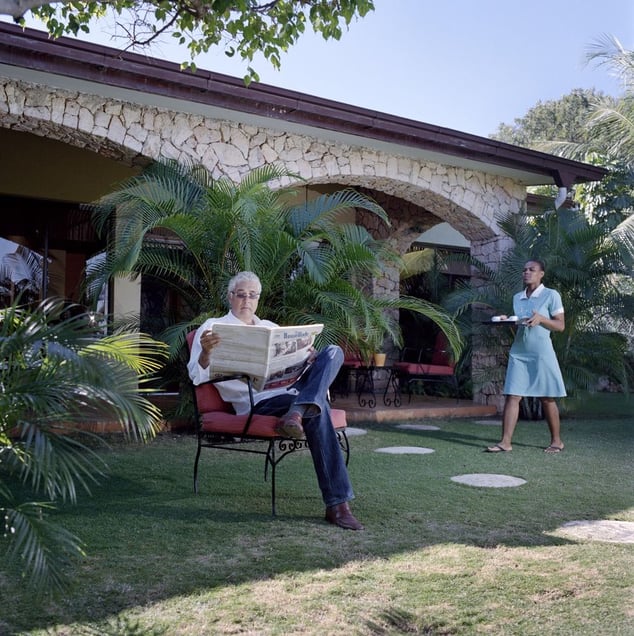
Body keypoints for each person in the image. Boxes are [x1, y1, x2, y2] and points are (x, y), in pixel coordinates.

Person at [187, 271, 363, 530]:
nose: (247, 300)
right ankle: (338, 506)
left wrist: (309, 358)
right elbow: (196, 374)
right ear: (230, 296)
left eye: (252, 295)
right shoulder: (213, 327)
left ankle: (297, 411)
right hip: (259, 401)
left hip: (291, 390)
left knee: (333, 352)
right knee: (317, 409)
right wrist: (206, 352)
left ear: (258, 299)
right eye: (241, 294)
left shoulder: (270, 327)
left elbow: (295, 362)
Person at [486, 259, 566, 454]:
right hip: (519, 352)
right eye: (524, 270)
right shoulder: (517, 298)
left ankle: (557, 441)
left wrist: (542, 319)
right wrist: (507, 320)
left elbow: (560, 325)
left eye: (532, 269)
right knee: (512, 396)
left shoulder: (551, 295)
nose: (527, 272)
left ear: (541, 274)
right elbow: (522, 321)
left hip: (542, 353)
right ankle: (505, 442)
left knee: (547, 398)